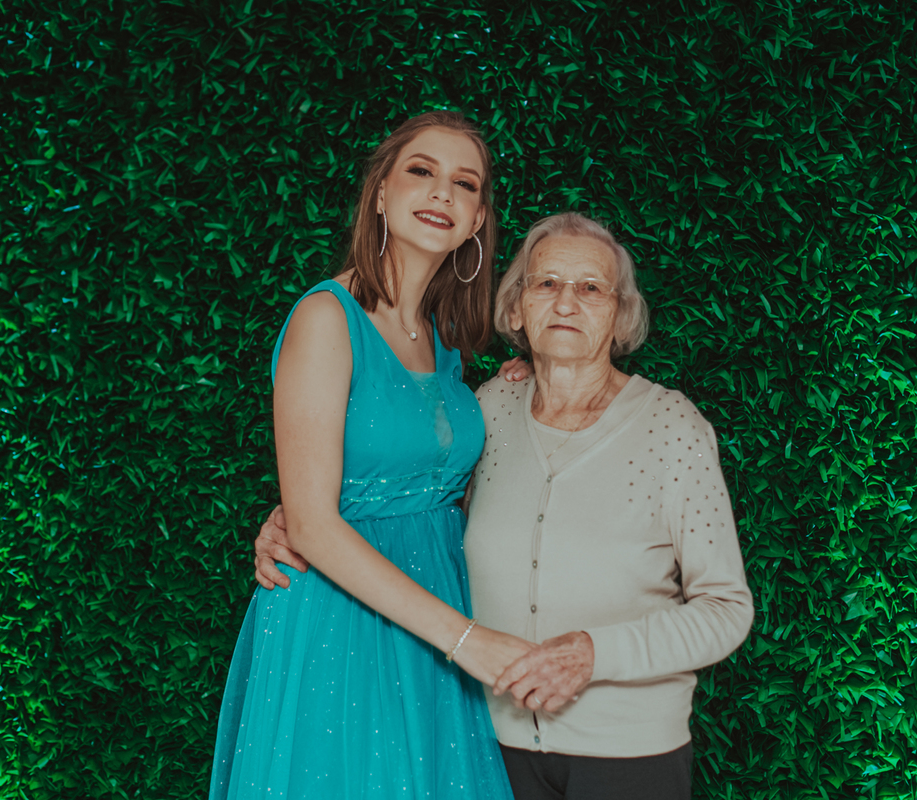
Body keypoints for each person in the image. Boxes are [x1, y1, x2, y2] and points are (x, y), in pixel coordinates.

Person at [256, 212, 755, 800]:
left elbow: (726, 609)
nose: (566, 302)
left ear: (621, 316)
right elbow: (421, 504)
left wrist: (595, 653)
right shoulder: (485, 411)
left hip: (630, 753)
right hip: (488, 751)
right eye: (546, 284)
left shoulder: (673, 428)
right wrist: (299, 520)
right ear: (516, 310)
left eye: (591, 288)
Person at [208, 111, 532, 800]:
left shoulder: (444, 338)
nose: (442, 192)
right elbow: (313, 526)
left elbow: (433, 477)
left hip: (432, 613)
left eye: (465, 183)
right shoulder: (326, 317)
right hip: (344, 624)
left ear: (477, 220)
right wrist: (468, 640)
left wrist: (531, 383)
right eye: (422, 170)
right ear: (381, 193)